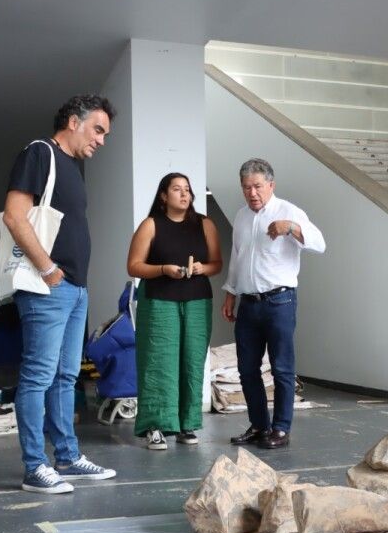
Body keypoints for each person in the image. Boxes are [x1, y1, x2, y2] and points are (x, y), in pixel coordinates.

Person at [3, 94, 119, 494]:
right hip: (49, 286)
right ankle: (35, 466)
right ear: (74, 121)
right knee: (38, 376)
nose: (102, 140)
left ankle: (67, 458)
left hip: (74, 289)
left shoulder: (72, 167)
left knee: (65, 377)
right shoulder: (41, 153)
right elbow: (15, 216)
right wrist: (49, 269)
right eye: (98, 129)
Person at [222, 158, 325, 450]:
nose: (252, 193)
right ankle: (259, 425)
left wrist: (290, 227)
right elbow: (237, 257)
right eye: (246, 188)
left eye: (257, 186)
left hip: (280, 301)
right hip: (248, 303)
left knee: (281, 368)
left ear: (271, 185)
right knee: (247, 369)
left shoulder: (288, 211)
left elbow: (320, 243)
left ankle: (281, 428)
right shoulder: (242, 216)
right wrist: (230, 292)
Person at [126, 173, 222, 450]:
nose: (184, 194)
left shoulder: (205, 224)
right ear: (163, 196)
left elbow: (216, 263)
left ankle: (186, 424)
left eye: (188, 190)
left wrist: (203, 268)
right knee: (159, 363)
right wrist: (163, 269)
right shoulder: (151, 225)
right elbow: (133, 266)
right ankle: (156, 426)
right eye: (177, 189)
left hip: (197, 301)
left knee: (192, 362)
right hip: (159, 302)